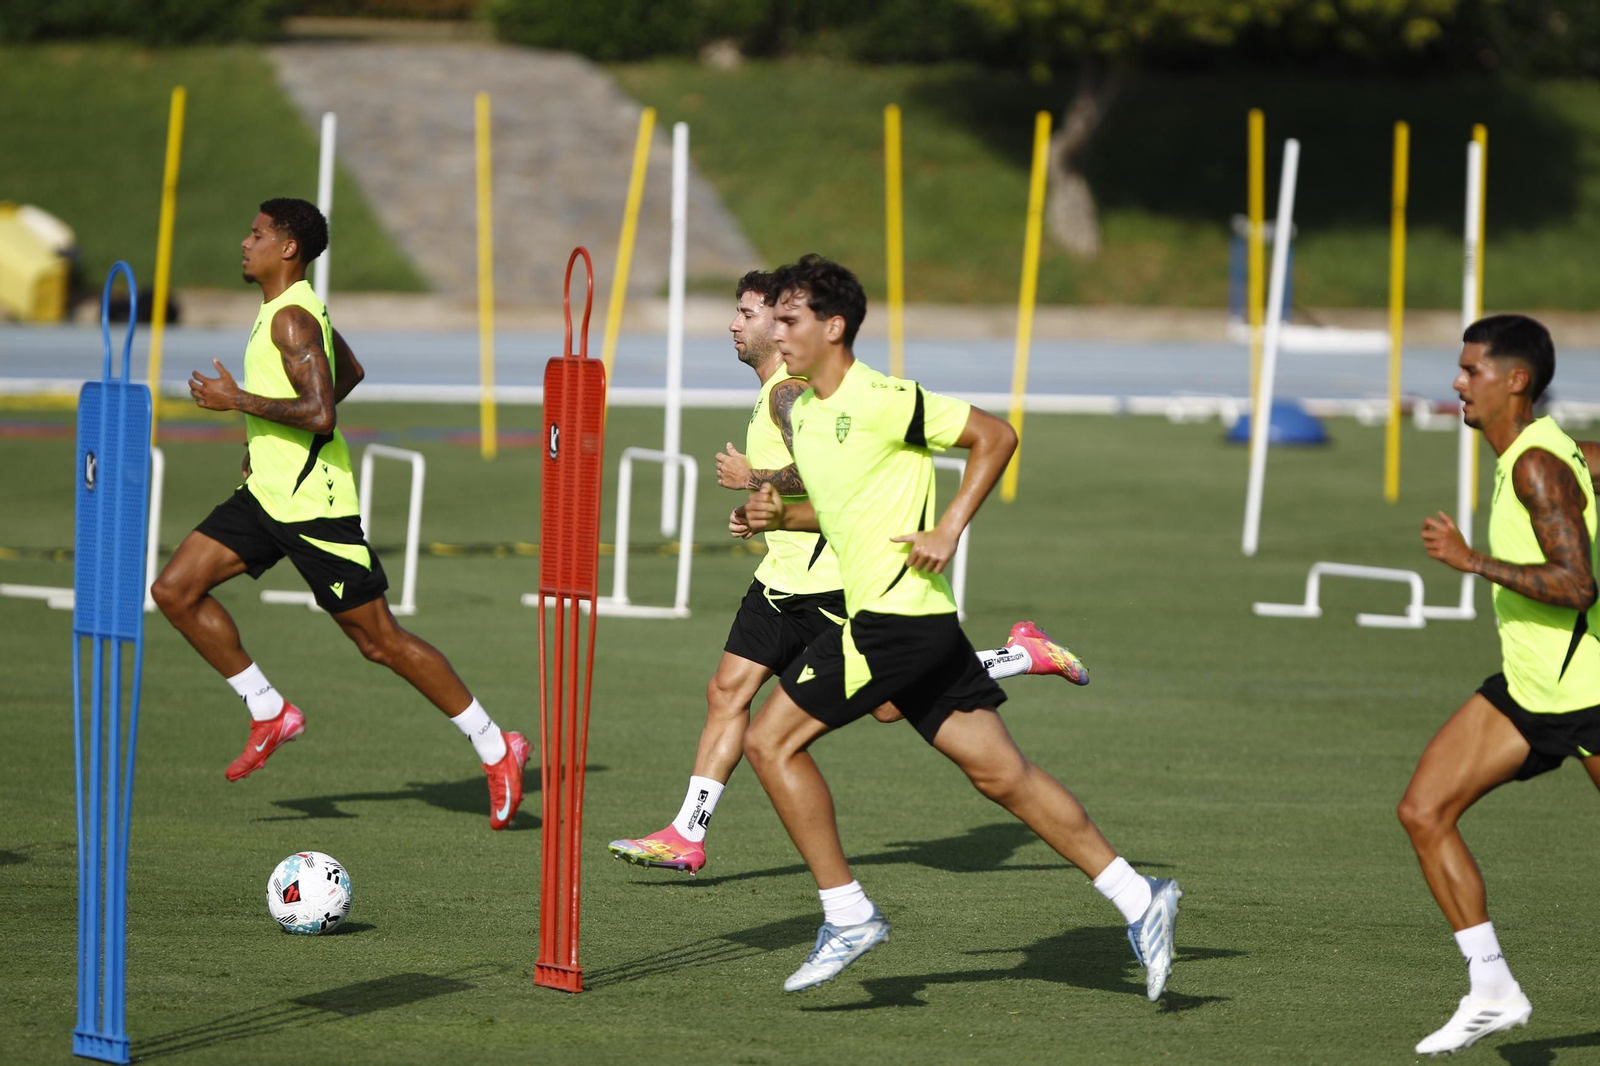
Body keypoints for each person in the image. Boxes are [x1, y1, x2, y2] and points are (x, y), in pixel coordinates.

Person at [739, 254, 1181, 997]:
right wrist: (778, 513)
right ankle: (1141, 898)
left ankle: (847, 914)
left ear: (834, 326)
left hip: (891, 620)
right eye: (773, 320)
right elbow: (841, 512)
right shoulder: (805, 414)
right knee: (1002, 776)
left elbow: (996, 436)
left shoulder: (884, 398)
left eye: (790, 319)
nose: (776, 333)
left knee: (768, 741)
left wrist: (948, 527)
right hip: (917, 622)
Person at [607, 270, 1089, 875]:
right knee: (726, 692)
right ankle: (687, 832)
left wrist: (755, 480)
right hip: (780, 578)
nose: (736, 324)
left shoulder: (790, 393)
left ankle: (1021, 655)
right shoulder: (774, 389)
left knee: (889, 707)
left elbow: (822, 478)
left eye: (751, 314)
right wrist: (761, 513)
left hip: (828, 582)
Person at [150, 198, 528, 830]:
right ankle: (268, 710)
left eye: (257, 234)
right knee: (174, 590)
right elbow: (347, 371)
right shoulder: (287, 310)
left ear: (287, 248)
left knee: (379, 642)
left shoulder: (292, 319)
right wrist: (267, 443)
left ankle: (496, 746)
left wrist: (237, 400)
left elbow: (323, 412)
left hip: (314, 508)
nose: (245, 242)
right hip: (266, 494)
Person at [1401, 314, 1600, 1054]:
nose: (1458, 382)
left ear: (1516, 381)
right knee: (1424, 810)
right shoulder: (1544, 452)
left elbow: (1577, 585)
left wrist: (1471, 561)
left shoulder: (1536, 467)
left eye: (1471, 370)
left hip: (1589, 695)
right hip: (1529, 691)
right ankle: (1491, 989)